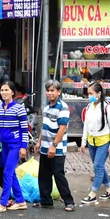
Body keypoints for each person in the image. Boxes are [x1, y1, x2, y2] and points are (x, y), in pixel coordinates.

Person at [35, 80, 76, 211]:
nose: (49, 93)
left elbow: (62, 128)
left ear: (59, 92)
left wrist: (53, 145)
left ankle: (69, 201)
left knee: (58, 174)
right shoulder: (46, 107)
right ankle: (46, 201)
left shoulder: (62, 107)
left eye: (52, 90)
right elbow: (45, 127)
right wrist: (39, 141)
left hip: (57, 148)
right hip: (45, 147)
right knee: (43, 175)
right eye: (48, 90)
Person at [0, 82, 28, 213]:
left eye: (7, 90)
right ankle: (21, 201)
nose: (4, 92)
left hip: (15, 145)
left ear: (12, 92)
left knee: (7, 172)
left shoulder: (19, 108)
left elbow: (24, 129)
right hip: (4, 145)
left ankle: (3, 203)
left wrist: (24, 147)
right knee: (11, 173)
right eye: (2, 90)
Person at [80, 82, 110, 204]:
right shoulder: (90, 106)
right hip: (92, 141)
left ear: (99, 93)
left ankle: (93, 193)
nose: (89, 96)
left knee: (97, 166)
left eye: (91, 93)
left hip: (104, 141)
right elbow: (86, 124)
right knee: (99, 166)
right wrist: (83, 141)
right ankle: (109, 189)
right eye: (88, 93)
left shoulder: (108, 108)